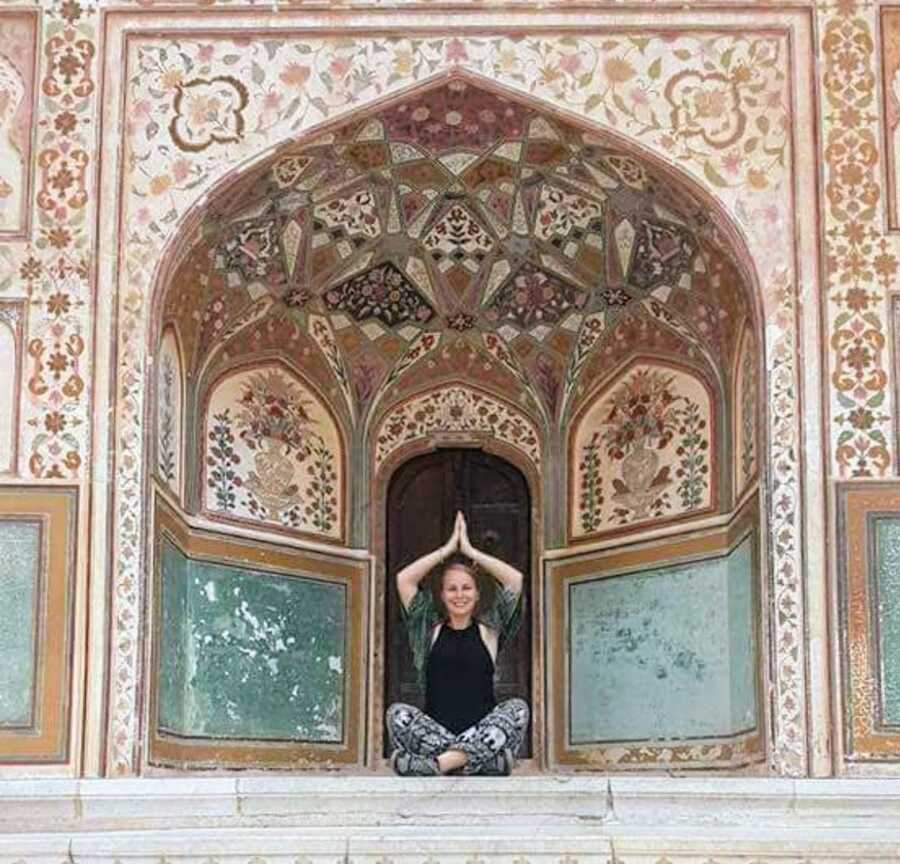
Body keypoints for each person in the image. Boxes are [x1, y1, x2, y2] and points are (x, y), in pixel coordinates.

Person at [386, 511, 530, 776]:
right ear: (441, 595)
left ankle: (442, 764)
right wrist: (448, 549)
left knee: (518, 710)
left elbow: (515, 580)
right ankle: (479, 762)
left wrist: (470, 551)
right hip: (436, 734)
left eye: (466, 588)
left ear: (477, 595)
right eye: (452, 588)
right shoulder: (428, 630)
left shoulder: (490, 631)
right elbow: (404, 580)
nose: (459, 595)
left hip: (483, 732)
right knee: (397, 714)